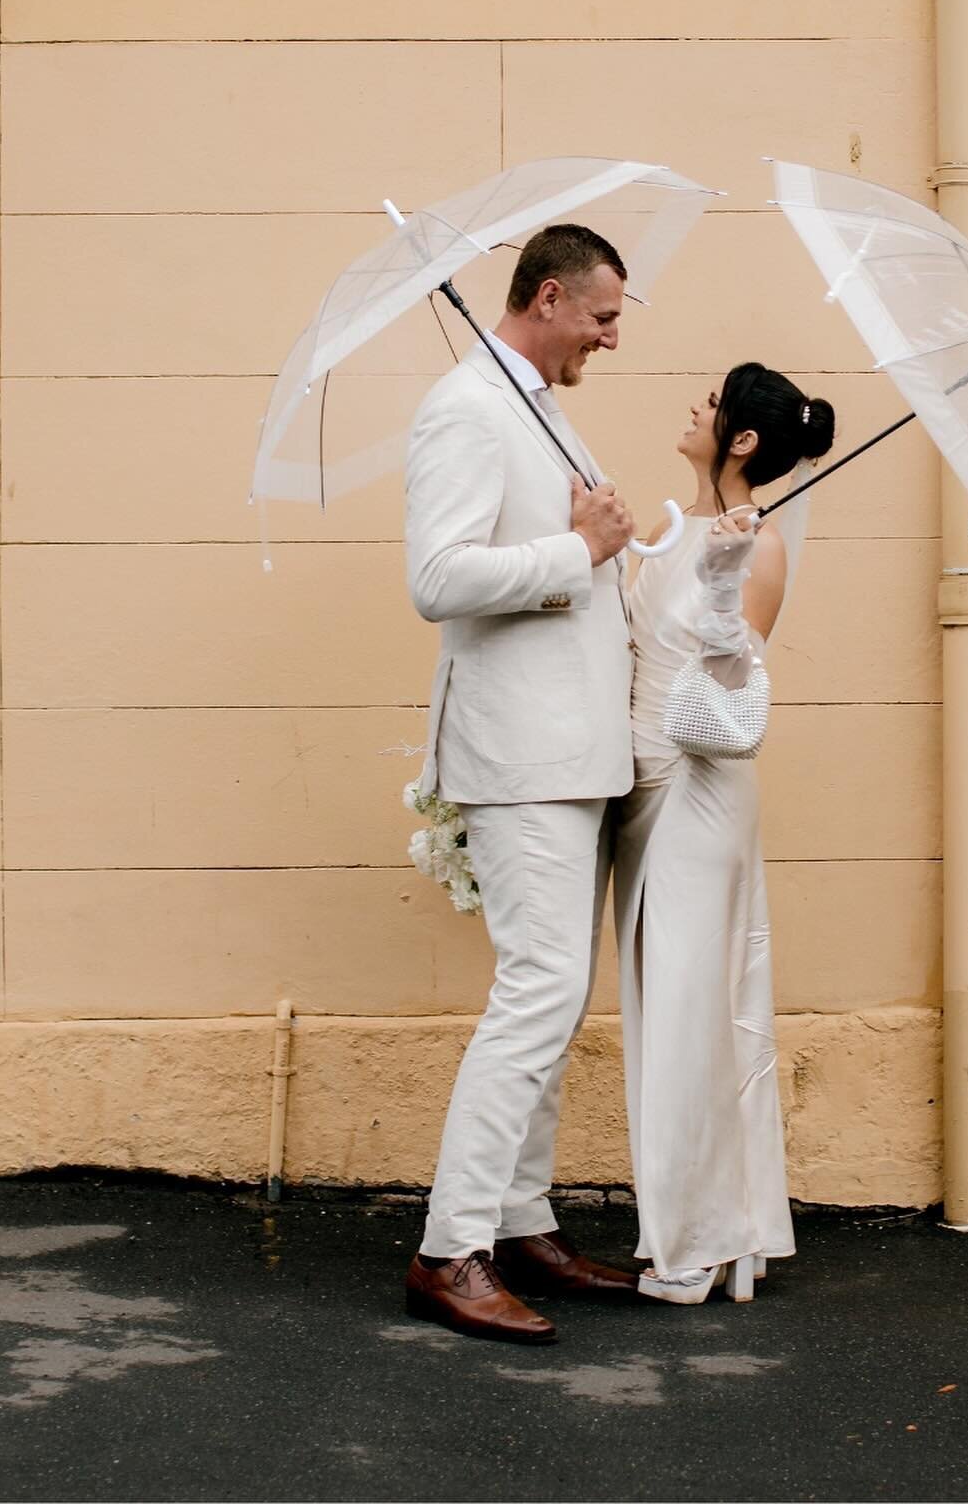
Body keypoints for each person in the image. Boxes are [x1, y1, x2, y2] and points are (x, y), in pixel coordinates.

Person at [401, 224, 643, 1344]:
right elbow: (439, 578)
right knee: (539, 992)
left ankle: (522, 1220)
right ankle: (452, 1249)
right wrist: (579, 552)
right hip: (519, 757)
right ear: (548, 297)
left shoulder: (541, 406)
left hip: (574, 750)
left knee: (556, 992)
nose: (609, 337)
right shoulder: (465, 408)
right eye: (600, 317)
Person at [614, 362, 835, 1304]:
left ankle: (700, 1245)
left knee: (696, 1010)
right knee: (656, 1010)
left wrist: (719, 571)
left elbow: (731, 671)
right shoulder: (671, 526)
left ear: (742, 439)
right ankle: (710, 1225)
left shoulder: (762, 545)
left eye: (712, 404)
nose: (695, 409)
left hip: (699, 785)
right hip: (636, 786)